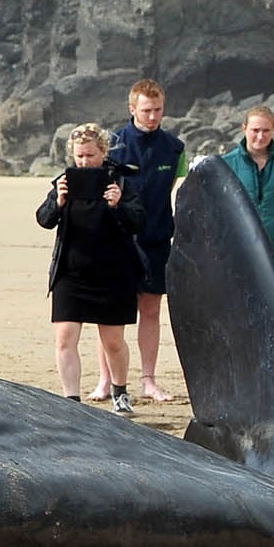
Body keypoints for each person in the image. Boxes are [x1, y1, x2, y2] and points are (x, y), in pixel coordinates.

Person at [39, 123, 147, 414]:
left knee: (113, 342)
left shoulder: (121, 182)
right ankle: (71, 400)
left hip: (113, 273)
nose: (84, 162)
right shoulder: (65, 181)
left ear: (102, 152)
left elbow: (138, 222)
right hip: (71, 273)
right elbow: (44, 219)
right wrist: (59, 202)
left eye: (89, 155)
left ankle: (120, 391)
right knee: (65, 337)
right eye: (79, 157)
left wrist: (118, 205)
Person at [109, 79, 185, 401]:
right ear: (132, 109)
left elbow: (175, 188)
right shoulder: (114, 144)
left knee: (150, 308)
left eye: (157, 110)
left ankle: (148, 380)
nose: (153, 116)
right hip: (119, 238)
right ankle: (107, 379)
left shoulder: (174, 147)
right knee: (112, 313)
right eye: (146, 110)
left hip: (156, 235)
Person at [220, 105, 274, 284]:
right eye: (255, 130)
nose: (260, 136)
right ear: (244, 128)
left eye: (266, 130)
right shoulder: (227, 163)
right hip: (239, 253)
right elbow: (217, 209)